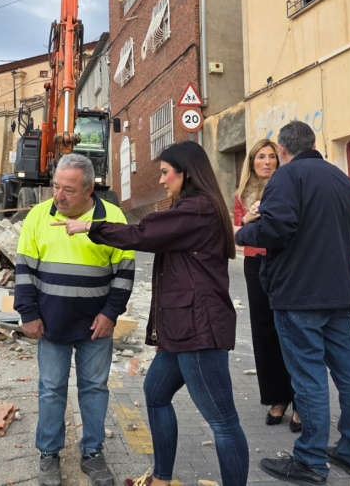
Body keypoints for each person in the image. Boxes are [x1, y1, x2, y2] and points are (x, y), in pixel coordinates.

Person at [54, 141, 249, 486]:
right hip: (182, 327)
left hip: (198, 328)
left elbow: (142, 234)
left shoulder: (197, 209)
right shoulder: (193, 208)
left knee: (222, 420)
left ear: (185, 173)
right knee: (156, 394)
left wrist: (90, 226)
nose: (161, 180)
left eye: (164, 172)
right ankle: (160, 480)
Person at [236, 121, 350, 486]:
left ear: (282, 150)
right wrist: (332, 253)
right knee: (349, 372)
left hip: (298, 294)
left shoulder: (287, 177)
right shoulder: (340, 178)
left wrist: (243, 233)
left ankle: (311, 460)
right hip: (339, 292)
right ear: (313, 144)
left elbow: (276, 230)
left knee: (309, 376)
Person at [14, 153, 135, 486]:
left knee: (94, 389)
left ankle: (93, 454)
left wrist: (111, 313)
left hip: (96, 325)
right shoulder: (39, 216)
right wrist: (28, 313)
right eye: (56, 186)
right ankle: (49, 454)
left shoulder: (112, 218)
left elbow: (124, 272)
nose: (59, 196)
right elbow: (24, 269)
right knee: (51, 389)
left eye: (67, 189)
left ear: (88, 190)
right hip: (51, 323)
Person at [233, 138, 300, 433]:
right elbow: (235, 234)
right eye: (261, 157)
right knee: (264, 331)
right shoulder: (241, 195)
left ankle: (301, 401)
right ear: (252, 162)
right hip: (254, 264)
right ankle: (277, 398)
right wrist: (250, 218)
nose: (267, 161)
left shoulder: (288, 188)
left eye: (272, 156)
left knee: (292, 330)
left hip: (283, 263)